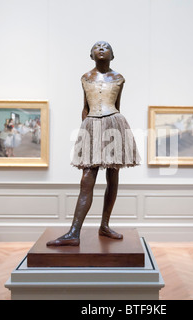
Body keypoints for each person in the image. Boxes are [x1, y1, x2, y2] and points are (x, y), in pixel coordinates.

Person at [47, 41, 140, 246]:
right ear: (91, 55)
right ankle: (74, 232)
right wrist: (84, 134)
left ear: (112, 55)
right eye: (97, 46)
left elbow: (117, 105)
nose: (101, 48)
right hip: (91, 124)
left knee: (113, 175)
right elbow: (85, 107)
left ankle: (104, 225)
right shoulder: (85, 77)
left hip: (114, 123)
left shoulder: (119, 78)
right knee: (87, 179)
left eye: (105, 46)